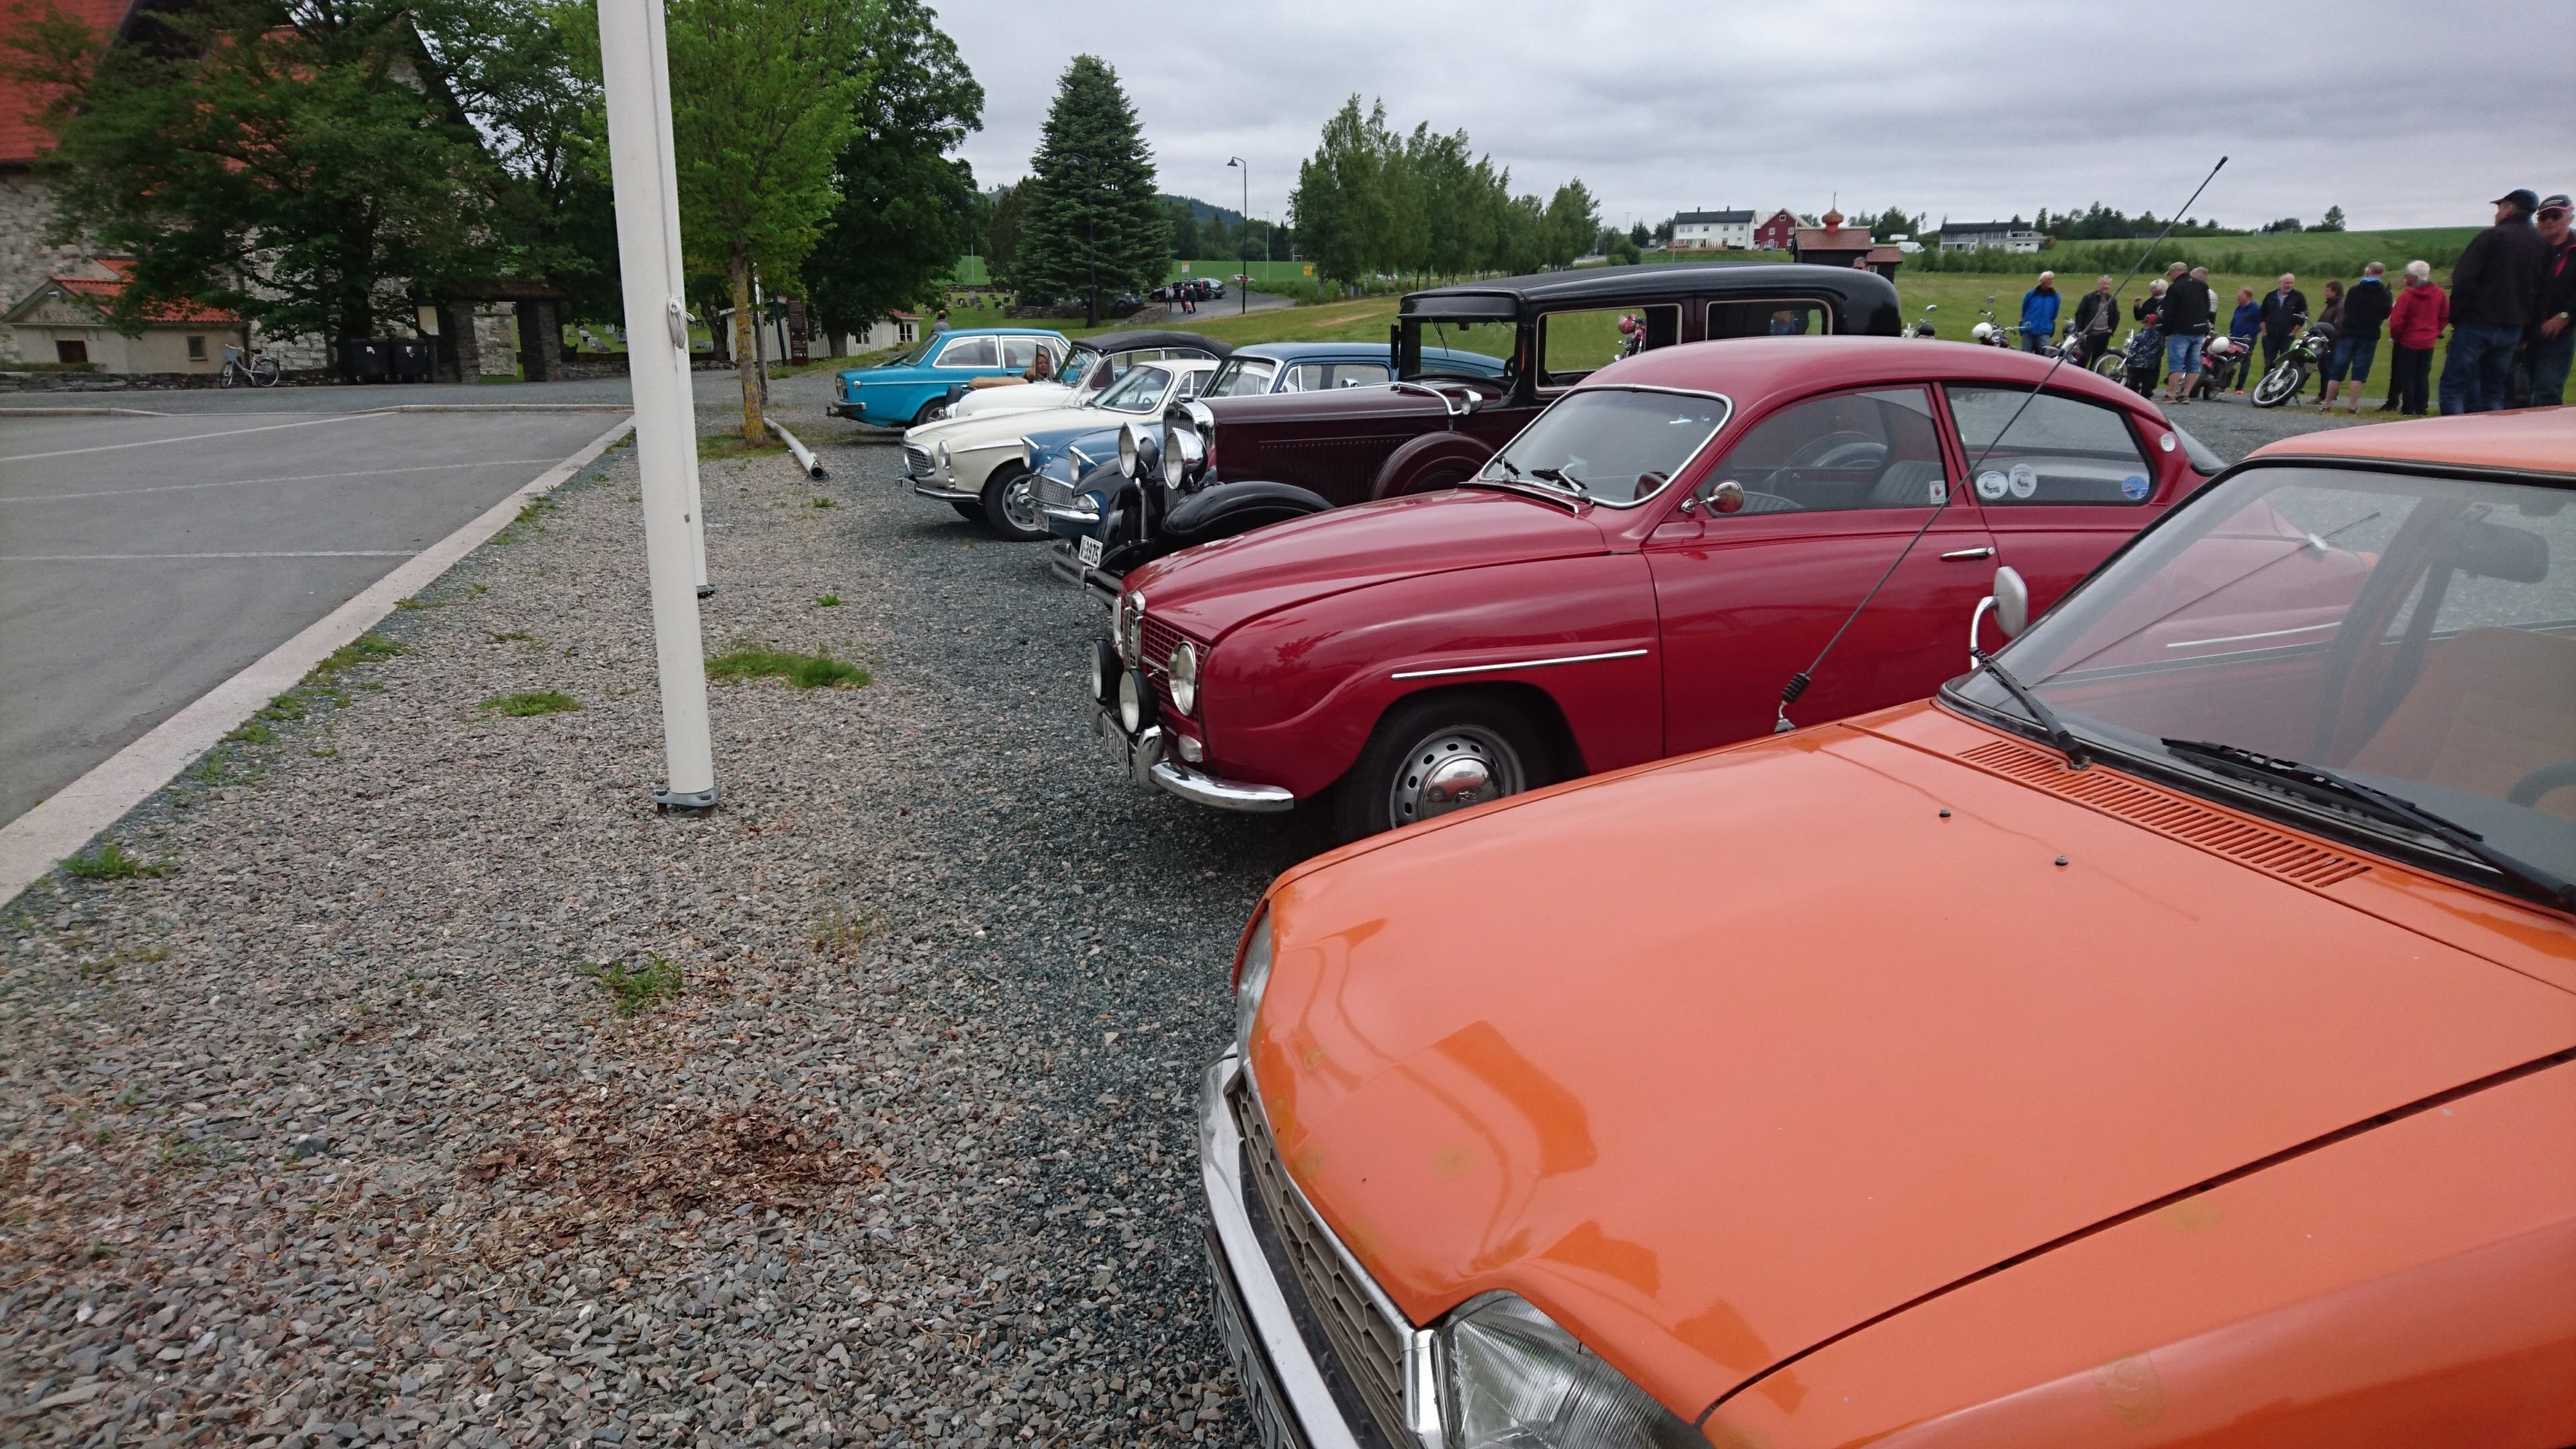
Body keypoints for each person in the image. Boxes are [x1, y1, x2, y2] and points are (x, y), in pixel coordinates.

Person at [2440, 188, 2550, 413]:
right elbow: (2544, 292)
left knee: (2454, 385)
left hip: (2476, 323)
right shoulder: (2543, 244)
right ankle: (2489, 433)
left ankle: (2453, 432)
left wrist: (2457, 316)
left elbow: (2463, 279)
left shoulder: (2492, 237)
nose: (2497, 214)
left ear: (2509, 209)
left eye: (2499, 209)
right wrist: (2529, 331)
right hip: (2513, 327)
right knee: (2494, 389)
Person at [2384, 259, 2448, 415]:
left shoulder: (2408, 296)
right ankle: (2421, 407)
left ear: (2414, 277)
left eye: (2408, 275)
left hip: (2408, 340)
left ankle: (2408, 407)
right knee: (2423, 374)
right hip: (2428, 340)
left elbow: (2397, 320)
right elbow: (2444, 315)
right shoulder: (2439, 293)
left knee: (2408, 375)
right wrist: (2435, 330)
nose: (2406, 277)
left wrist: (2397, 336)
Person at [2323, 266, 2390, 412]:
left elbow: (2347, 308)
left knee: (2338, 368)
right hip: (2369, 334)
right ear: (2382, 274)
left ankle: (2327, 403)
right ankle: (2352, 405)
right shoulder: (2385, 293)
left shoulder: (2354, 290)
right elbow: (2386, 314)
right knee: (2360, 371)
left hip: (2349, 332)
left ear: (2368, 272)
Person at [2529, 193, 2574, 406]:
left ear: (2570, 218)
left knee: (2547, 392)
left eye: (2555, 216)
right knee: (2515, 392)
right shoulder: (2530, 249)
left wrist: (2566, 315)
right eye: (2543, 217)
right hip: (2524, 330)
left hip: (2559, 333)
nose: (2548, 221)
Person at [2159, 263, 2214, 402]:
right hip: (2199, 330)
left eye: (2171, 273)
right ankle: (2186, 394)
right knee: (2193, 363)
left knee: (2176, 362)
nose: (2170, 277)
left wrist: (2166, 330)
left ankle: (2171, 394)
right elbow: (2207, 307)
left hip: (2180, 331)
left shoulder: (2175, 287)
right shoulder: (2202, 286)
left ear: (2177, 272)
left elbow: (2169, 311)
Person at [2258, 273, 2308, 377]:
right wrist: (2265, 333)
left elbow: (2303, 317)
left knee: (2285, 363)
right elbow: (2262, 315)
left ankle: (2281, 384)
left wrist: (2293, 333)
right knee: (2269, 363)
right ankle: (2266, 384)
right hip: (2270, 337)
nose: (2289, 285)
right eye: (2287, 283)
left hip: (2287, 337)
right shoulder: (2270, 296)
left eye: (2291, 283)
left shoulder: (2298, 297)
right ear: (2280, 283)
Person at [2069, 274, 2118, 366]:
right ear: (2099, 284)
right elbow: (2079, 313)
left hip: (2103, 335)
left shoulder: (2112, 300)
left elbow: (2116, 315)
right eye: (2104, 284)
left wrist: (2112, 329)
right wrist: (2080, 330)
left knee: (2098, 361)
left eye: (2108, 284)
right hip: (2088, 335)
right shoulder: (2089, 298)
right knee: (2084, 358)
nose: (2106, 286)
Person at [2227, 287, 2263, 392]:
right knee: (2230, 361)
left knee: (2245, 361)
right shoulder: (2239, 308)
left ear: (2247, 296)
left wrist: (2251, 334)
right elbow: (2234, 321)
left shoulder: (2255, 308)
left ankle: (2239, 387)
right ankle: (2224, 384)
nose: (2237, 297)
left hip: (2247, 340)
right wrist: (2231, 333)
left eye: (2240, 296)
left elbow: (2261, 323)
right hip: (2235, 338)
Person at [2019, 271, 2061, 355]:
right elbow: (2024, 310)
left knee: (2046, 355)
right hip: (2029, 331)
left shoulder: (2055, 296)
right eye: (2049, 280)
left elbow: (2055, 314)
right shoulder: (2031, 294)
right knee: (2026, 355)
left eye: (2052, 280)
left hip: (2044, 332)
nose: (2051, 282)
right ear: (2042, 281)